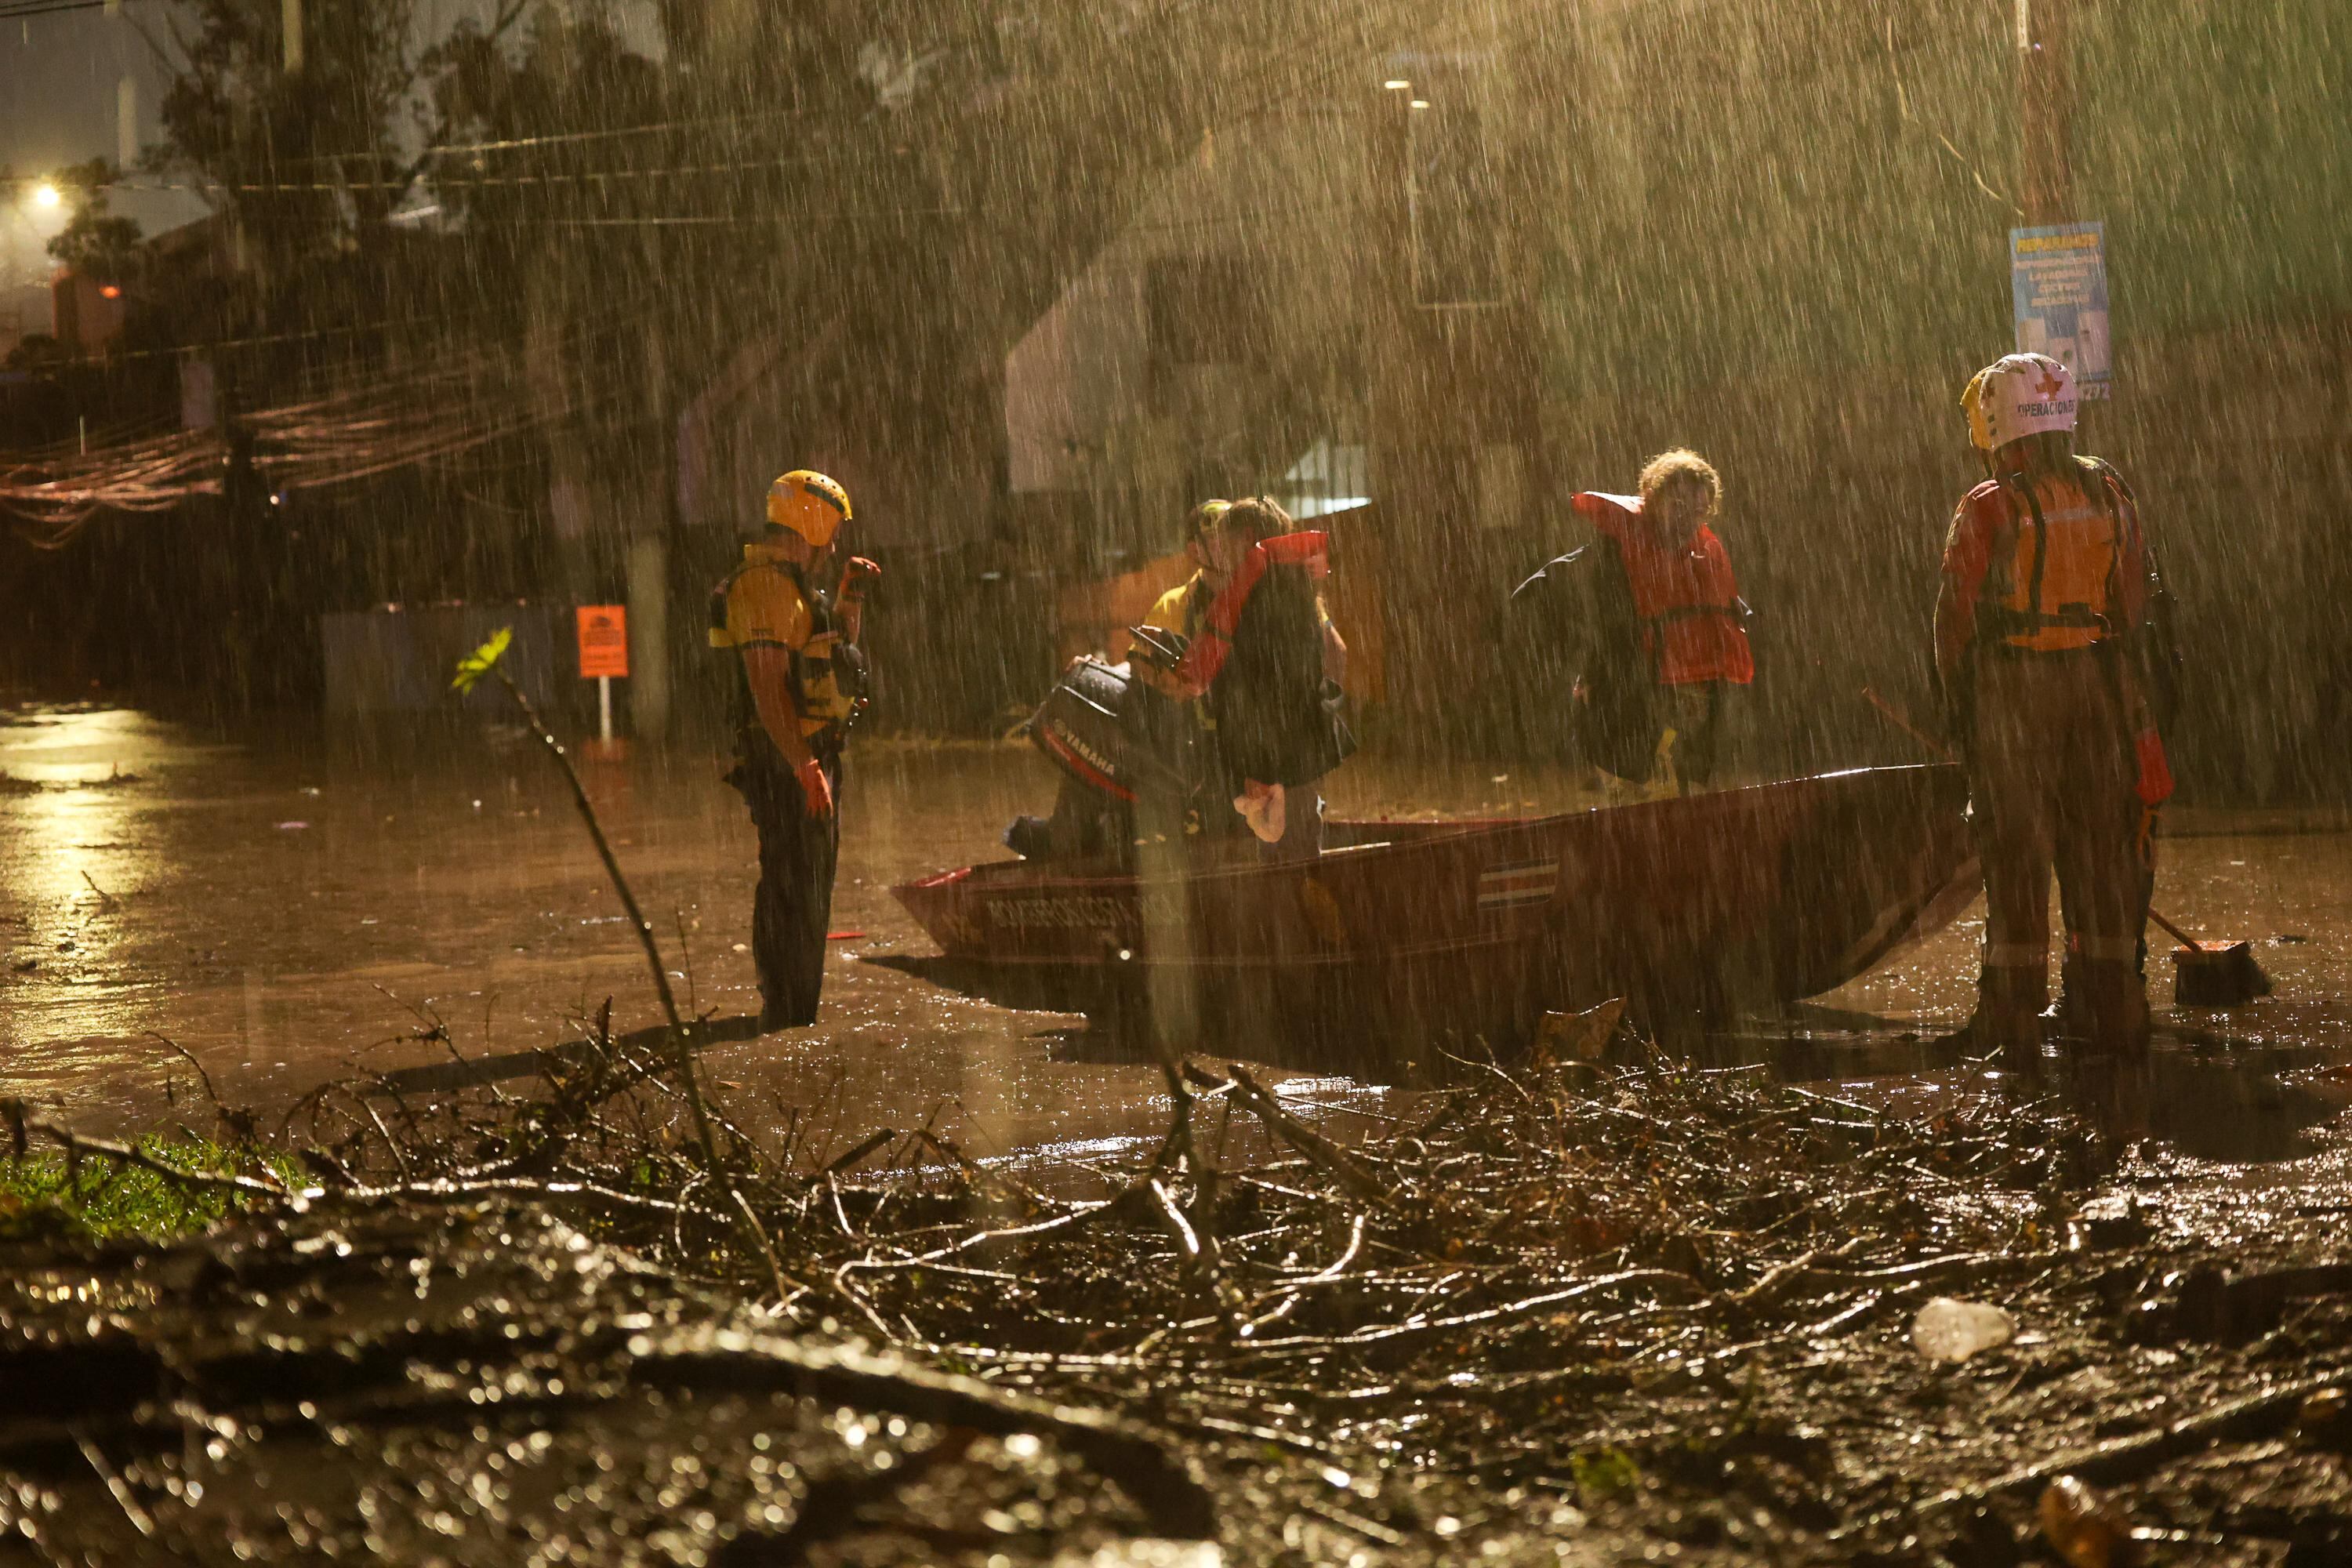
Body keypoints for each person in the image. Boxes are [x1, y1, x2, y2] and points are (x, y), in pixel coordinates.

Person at [1935, 353, 2172, 1064]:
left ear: (1998, 425)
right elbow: (2134, 607)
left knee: (2016, 852)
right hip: (2099, 684)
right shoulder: (2110, 493)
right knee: (2101, 848)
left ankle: (2011, 1023)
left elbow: (1953, 623)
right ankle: (2111, 1009)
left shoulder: (1988, 505)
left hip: (2016, 691)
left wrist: (1960, 710)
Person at [709, 469, 877, 1029]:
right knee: (792, 883)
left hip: (810, 753)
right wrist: (804, 766)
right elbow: (766, 686)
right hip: (788, 759)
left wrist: (851, 593)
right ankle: (785, 1014)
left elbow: (835, 648)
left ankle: (792, 1012)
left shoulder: (794, 582)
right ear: (814, 522)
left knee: (808, 883)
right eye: (832, 533)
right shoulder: (765, 586)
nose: (834, 547)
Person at [1513, 449, 1754, 798]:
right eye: (1679, 507)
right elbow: (1533, 598)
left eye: (1698, 512)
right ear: (1653, 500)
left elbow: (1733, 617)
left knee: (1687, 808)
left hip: (1691, 708)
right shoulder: (1612, 557)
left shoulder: (1703, 560)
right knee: (1632, 805)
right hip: (1630, 705)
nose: (1688, 520)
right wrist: (1582, 659)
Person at [1148, 496, 1352, 858]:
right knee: (1295, 848)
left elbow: (1265, 690)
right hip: (1292, 754)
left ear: (1246, 539)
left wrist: (1265, 765)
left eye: (1224, 544)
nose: (1221, 554)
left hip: (1278, 759)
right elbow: (1324, 659)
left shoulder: (1258, 598)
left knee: (1285, 859)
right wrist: (1319, 714)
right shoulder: (1289, 587)